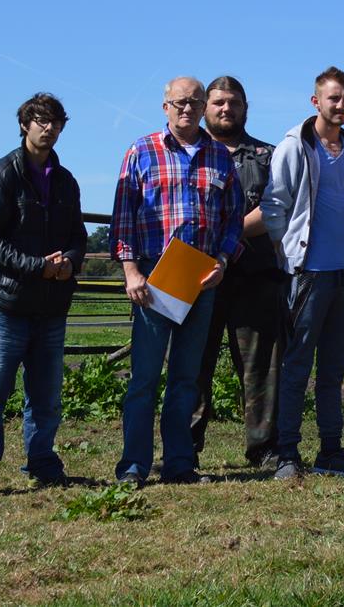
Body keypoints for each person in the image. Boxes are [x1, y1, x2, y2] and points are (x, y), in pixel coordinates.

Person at [110, 76, 242, 485]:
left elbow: (233, 218)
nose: (187, 108)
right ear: (165, 106)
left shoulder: (220, 156)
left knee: (187, 377)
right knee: (145, 377)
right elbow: (123, 216)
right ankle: (134, 465)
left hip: (199, 276)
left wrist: (223, 258)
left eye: (194, 102)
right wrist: (131, 270)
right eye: (180, 102)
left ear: (204, 107)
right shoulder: (141, 151)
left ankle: (180, 462)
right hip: (153, 275)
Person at [0, 92, 88, 497]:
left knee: (46, 396)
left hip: (50, 307)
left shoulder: (66, 181)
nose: (48, 128)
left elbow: (79, 237)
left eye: (55, 122)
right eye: (40, 120)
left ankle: (42, 463)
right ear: (24, 124)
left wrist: (69, 260)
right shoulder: (2, 175)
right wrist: (39, 266)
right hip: (6, 305)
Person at [263, 67, 344, 480]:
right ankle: (288, 453)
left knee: (334, 370)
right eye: (333, 98)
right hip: (308, 273)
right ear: (316, 101)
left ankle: (331, 450)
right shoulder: (295, 146)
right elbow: (275, 205)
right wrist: (287, 252)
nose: (340, 105)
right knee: (297, 365)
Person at [189, 76, 281, 468]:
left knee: (261, 367)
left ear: (245, 107)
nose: (226, 109)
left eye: (234, 103)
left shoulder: (269, 155)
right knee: (192, 363)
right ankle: (184, 447)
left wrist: (226, 238)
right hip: (197, 274)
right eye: (219, 103)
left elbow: (277, 207)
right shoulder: (188, 153)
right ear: (205, 107)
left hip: (255, 275)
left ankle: (264, 448)